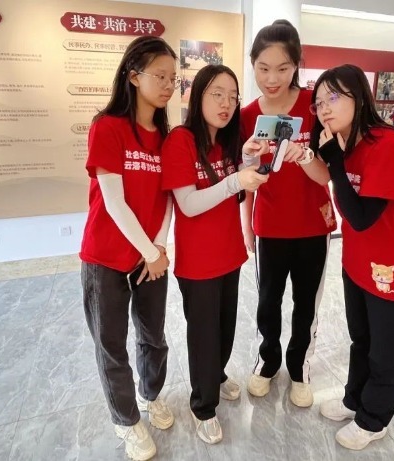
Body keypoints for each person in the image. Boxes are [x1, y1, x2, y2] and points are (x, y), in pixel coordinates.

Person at [309, 64, 394, 451]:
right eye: (318, 102)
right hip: (359, 264)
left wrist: (334, 162)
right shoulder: (348, 146)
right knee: (361, 340)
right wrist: (331, 159)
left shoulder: (387, 144)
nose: (324, 108)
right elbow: (347, 208)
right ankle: (354, 399)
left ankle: (375, 419)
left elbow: (361, 216)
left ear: (359, 96)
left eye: (333, 97)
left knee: (387, 352)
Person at [79, 36, 179, 461]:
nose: (169, 85)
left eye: (174, 78)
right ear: (134, 76)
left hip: (150, 257)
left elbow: (169, 198)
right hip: (106, 257)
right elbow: (114, 202)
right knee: (112, 345)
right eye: (161, 76)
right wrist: (151, 253)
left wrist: (157, 248)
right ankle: (126, 420)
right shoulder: (108, 127)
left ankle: (150, 395)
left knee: (153, 337)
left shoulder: (168, 137)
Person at [161, 64, 268, 444]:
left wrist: (250, 161)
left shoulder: (226, 142)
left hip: (229, 253)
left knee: (224, 329)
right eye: (217, 94)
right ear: (198, 96)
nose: (226, 104)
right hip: (199, 262)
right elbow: (188, 204)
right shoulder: (180, 141)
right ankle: (203, 406)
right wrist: (236, 179)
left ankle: (216, 376)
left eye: (232, 97)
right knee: (204, 337)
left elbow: (239, 187)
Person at [240, 19, 337, 408]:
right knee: (268, 301)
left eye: (282, 68)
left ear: (296, 65)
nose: (272, 78)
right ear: (253, 64)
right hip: (270, 226)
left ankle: (299, 369)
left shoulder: (315, 108)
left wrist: (306, 155)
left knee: (306, 303)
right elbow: (247, 176)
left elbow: (326, 175)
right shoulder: (247, 115)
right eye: (263, 68)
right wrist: (247, 226)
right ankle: (268, 362)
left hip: (313, 224)